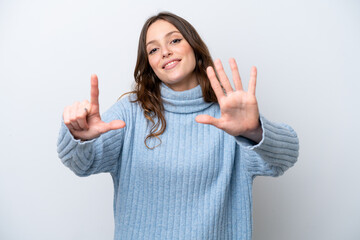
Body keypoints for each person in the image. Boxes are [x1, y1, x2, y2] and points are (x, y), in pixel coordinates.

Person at [57, 11, 299, 240]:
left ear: (194, 46)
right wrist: (78, 137)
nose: (164, 52)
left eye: (174, 41)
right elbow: (82, 164)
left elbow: (283, 159)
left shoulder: (228, 116)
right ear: (149, 63)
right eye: (153, 49)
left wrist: (253, 130)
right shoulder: (131, 112)